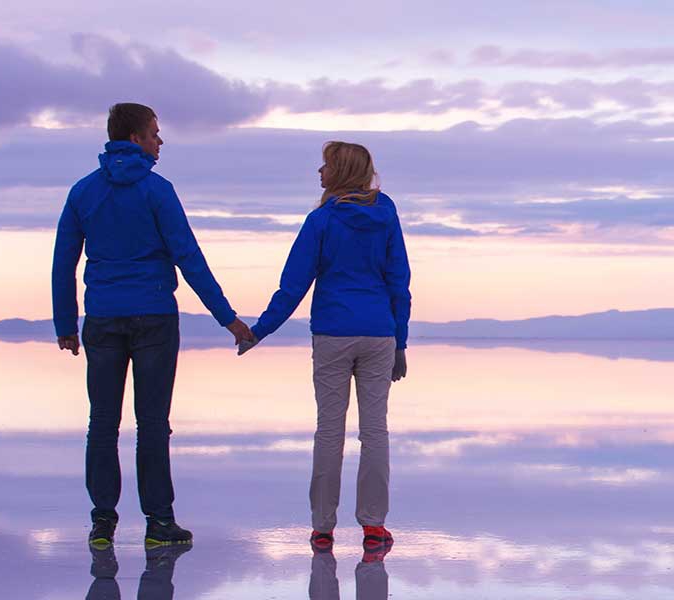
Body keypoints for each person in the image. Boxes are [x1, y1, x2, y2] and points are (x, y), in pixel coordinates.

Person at [53, 102, 257, 548]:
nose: (160, 141)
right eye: (154, 133)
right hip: (154, 321)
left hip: (103, 319)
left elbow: (63, 264)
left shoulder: (83, 192)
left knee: (102, 422)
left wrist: (66, 324)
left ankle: (102, 523)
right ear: (134, 139)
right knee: (152, 423)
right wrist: (228, 318)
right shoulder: (158, 191)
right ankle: (159, 523)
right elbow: (189, 258)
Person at [242, 141, 411, 551]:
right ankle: (374, 525)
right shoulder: (386, 215)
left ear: (340, 171)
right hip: (378, 333)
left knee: (329, 432)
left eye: (325, 166)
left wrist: (259, 330)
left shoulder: (321, 220)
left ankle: (323, 527)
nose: (319, 173)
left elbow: (293, 285)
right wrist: (400, 342)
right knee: (375, 432)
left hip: (333, 334)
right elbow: (399, 283)